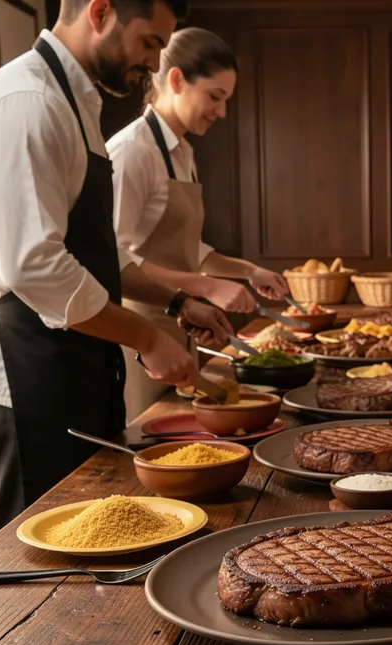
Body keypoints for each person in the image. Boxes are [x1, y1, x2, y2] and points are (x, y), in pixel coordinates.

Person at [0, 0, 235, 532]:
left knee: (90, 536)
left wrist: (176, 301)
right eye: (148, 42)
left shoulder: (78, 103)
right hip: (27, 364)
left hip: (78, 360)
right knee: (39, 548)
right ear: (99, 12)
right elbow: (35, 266)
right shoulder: (29, 100)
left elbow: (101, 252)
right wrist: (146, 336)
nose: (152, 62)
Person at [107, 27, 289, 421]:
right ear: (176, 80)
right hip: (141, 337)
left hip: (182, 324)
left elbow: (188, 247)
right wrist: (206, 286)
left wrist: (247, 271)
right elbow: (112, 256)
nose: (221, 112)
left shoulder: (182, 151)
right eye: (215, 97)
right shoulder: (132, 151)